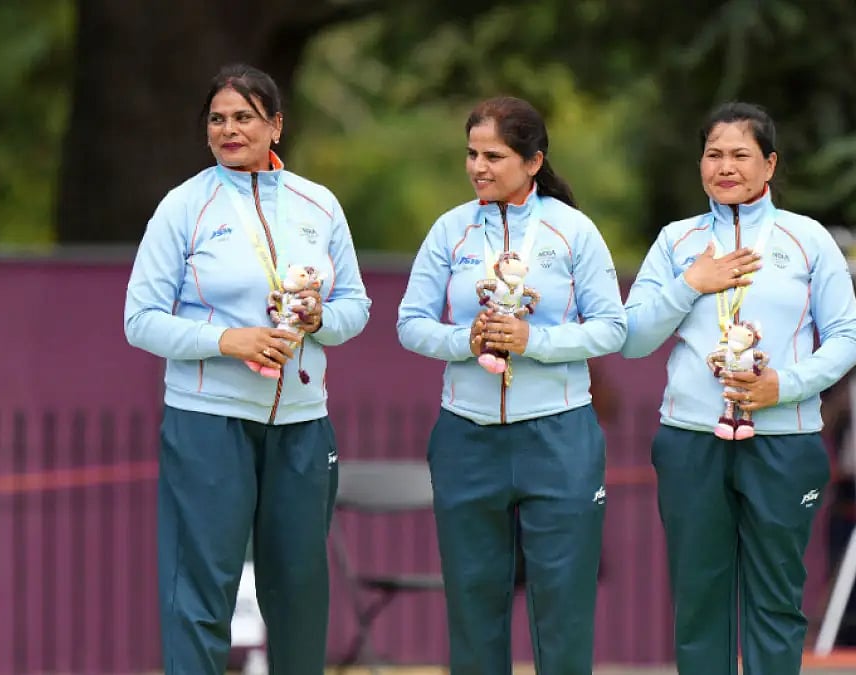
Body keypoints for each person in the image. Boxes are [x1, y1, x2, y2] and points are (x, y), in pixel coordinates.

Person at [124, 63, 371, 674]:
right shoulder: (184, 206)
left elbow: (357, 309)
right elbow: (140, 320)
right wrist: (229, 340)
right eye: (217, 118)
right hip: (209, 421)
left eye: (244, 117)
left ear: (276, 126)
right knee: (201, 590)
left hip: (304, 422)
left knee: (300, 592)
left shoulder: (320, 204)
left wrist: (317, 320)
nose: (228, 130)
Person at [622, 102, 856, 675]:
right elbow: (631, 337)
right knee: (700, 602)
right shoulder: (677, 241)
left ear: (769, 164)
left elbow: (848, 336)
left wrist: (784, 385)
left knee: (776, 601)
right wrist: (690, 284)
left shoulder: (807, 240)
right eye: (713, 154)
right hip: (691, 439)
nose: (724, 167)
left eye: (740, 155)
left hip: (784, 439)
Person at [396, 96, 626, 674]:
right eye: (472, 154)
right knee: (474, 604)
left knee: (562, 607)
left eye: (494, 155)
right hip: (467, 437)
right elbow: (409, 323)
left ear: (532, 160)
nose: (478, 167)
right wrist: (463, 341)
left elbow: (611, 328)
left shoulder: (572, 230)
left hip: (560, 435)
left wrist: (534, 342)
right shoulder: (450, 229)